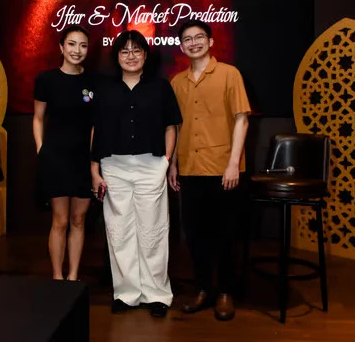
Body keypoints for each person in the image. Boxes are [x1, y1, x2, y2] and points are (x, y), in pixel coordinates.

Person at [91, 30, 182, 318]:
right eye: (124, 51)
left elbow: (171, 126)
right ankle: (126, 293)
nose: (131, 56)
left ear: (145, 55)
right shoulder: (105, 89)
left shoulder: (160, 87)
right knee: (119, 232)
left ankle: (157, 294)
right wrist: (94, 169)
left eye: (136, 50)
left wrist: (166, 161)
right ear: (116, 56)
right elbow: (96, 130)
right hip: (114, 166)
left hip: (150, 164)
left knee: (152, 230)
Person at [169, 21, 250, 321]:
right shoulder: (177, 82)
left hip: (222, 168)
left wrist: (233, 163)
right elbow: (176, 126)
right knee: (195, 234)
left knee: (226, 233)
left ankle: (225, 292)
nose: (193, 43)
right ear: (181, 46)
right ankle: (203, 288)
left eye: (199, 37)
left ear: (210, 41)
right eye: (187, 39)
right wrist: (173, 164)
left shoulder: (230, 74)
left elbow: (241, 119)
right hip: (190, 168)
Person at [33, 25, 94, 281]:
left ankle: (73, 276)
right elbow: (38, 118)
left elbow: (95, 124)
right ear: (61, 47)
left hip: (83, 160)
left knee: (79, 220)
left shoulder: (93, 82)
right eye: (71, 44)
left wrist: (94, 160)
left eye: (82, 45)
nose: (77, 50)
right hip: (56, 158)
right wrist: (41, 150)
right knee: (60, 220)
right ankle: (57, 278)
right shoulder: (46, 80)